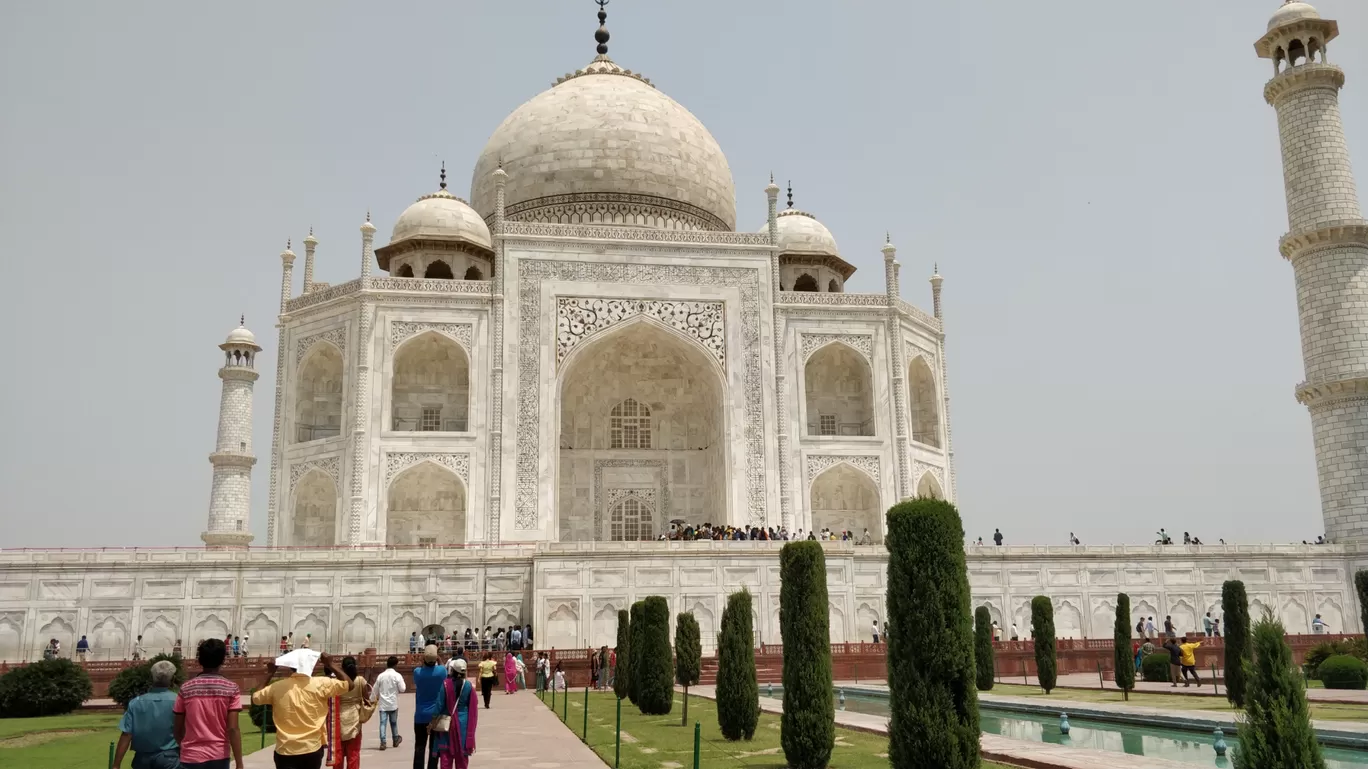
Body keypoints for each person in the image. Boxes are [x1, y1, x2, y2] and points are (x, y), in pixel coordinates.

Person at [250, 649, 353, 769]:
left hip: (285, 750)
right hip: (311, 748)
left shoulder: (277, 687)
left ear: (291, 667)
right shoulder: (321, 684)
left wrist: (270, 672)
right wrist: (330, 664)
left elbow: (255, 698)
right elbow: (349, 685)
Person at [174, 638, 243, 769]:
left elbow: (177, 729)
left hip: (191, 756)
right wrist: (239, 762)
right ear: (223, 660)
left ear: (200, 660)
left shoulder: (186, 688)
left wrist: (187, 747)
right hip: (219, 755)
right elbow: (233, 728)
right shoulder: (231, 688)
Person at [113, 660, 180, 769]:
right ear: (172, 679)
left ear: (152, 678)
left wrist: (116, 765)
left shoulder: (136, 702)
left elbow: (126, 734)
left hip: (142, 759)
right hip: (170, 758)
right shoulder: (178, 701)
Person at [429, 657, 478, 769]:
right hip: (463, 723)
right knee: (462, 757)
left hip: (448, 722)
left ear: (452, 671)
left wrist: (433, 720)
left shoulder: (446, 684)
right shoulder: (469, 686)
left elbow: (439, 704)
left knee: (446, 757)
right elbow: (473, 706)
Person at [412, 645, 448, 769]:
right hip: (436, 715)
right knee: (434, 748)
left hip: (421, 715)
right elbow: (443, 667)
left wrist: (424, 661)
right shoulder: (441, 672)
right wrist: (439, 659)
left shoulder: (418, 673)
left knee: (419, 747)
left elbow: (420, 669)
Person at [337, 656, 373, 768]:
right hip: (355, 719)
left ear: (342, 668)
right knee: (353, 754)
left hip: (339, 719)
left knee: (338, 755)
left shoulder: (337, 682)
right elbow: (367, 700)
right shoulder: (360, 680)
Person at [372, 655, 406, 751]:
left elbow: (375, 689)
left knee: (383, 723)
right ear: (395, 665)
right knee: (393, 723)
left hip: (383, 704)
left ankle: (383, 742)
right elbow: (403, 689)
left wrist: (371, 700)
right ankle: (395, 739)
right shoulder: (397, 676)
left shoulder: (381, 676)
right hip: (393, 703)